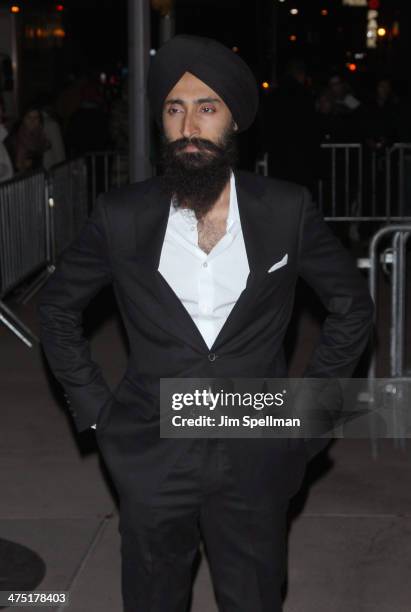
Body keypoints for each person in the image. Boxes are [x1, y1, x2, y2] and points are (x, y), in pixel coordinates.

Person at [38, 35, 374, 611]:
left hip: (257, 446)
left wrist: (311, 419)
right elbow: (57, 308)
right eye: (175, 108)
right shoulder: (121, 216)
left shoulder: (285, 209)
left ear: (233, 122)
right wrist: (99, 413)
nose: (189, 123)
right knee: (152, 594)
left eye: (207, 107)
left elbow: (353, 305)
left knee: (255, 596)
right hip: (151, 449)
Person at [4, 106, 50, 174]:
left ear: (40, 120)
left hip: (36, 176)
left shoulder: (40, 136)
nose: (32, 121)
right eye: (29, 117)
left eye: (36, 118)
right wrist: (21, 165)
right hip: (19, 179)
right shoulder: (15, 137)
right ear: (23, 119)